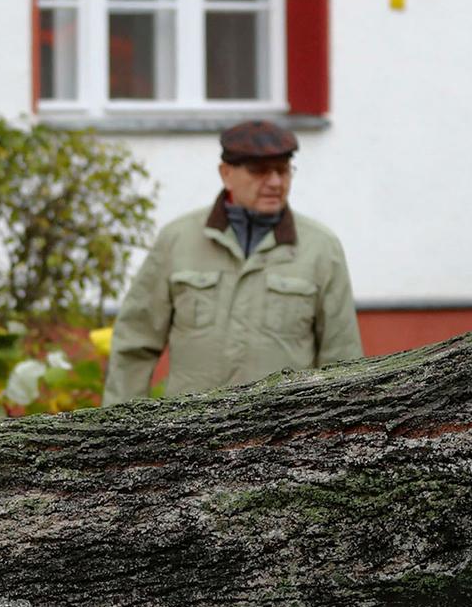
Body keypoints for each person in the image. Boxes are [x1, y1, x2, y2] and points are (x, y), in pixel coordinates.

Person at [103, 120, 363, 406]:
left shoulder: (321, 249)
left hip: (283, 438)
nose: (275, 182)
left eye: (283, 170)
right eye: (260, 171)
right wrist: (119, 433)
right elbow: (135, 342)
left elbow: (343, 360)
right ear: (226, 173)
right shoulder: (178, 241)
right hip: (189, 436)